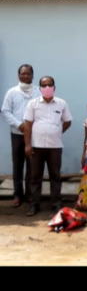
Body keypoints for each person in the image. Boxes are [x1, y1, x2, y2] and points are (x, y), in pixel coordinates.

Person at [24, 76, 72, 216]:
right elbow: (27, 125)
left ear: (54, 87)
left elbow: (68, 121)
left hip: (55, 146)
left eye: (49, 85)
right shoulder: (33, 104)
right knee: (35, 176)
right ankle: (34, 204)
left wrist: (56, 131)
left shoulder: (61, 104)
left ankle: (56, 203)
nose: (47, 87)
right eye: (44, 85)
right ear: (39, 89)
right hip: (36, 146)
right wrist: (27, 145)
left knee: (55, 175)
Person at [1, 64, 41, 208]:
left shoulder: (38, 92)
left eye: (28, 74)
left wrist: (31, 127)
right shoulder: (12, 92)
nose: (25, 76)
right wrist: (19, 125)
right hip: (17, 134)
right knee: (18, 165)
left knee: (32, 165)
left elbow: (42, 111)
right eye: (22, 74)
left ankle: (30, 194)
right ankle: (18, 194)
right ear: (19, 75)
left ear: (32, 75)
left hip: (34, 135)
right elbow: (5, 111)